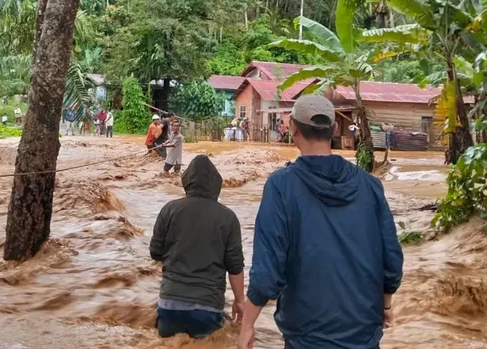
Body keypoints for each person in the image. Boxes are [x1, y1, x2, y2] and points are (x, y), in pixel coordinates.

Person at [238, 95, 404, 349]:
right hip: (364, 333)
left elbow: (267, 271)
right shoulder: (370, 186)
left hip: (306, 336)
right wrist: (385, 304)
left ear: (293, 127)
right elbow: (391, 258)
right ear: (335, 129)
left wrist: (248, 324)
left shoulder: (281, 186)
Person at [150, 155, 245, 339]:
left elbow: (155, 252)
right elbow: (235, 267)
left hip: (169, 305)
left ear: (186, 182)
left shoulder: (169, 210)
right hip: (207, 308)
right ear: (216, 184)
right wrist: (240, 302)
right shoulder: (228, 218)